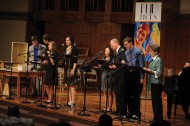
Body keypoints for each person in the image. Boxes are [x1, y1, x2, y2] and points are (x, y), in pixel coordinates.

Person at [122, 37, 145, 120]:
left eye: (126, 44)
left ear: (131, 43)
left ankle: (136, 113)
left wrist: (142, 77)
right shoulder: (126, 52)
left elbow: (142, 65)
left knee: (135, 95)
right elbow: (128, 63)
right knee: (128, 95)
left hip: (136, 74)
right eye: (124, 45)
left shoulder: (138, 51)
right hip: (129, 74)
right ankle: (130, 112)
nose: (125, 46)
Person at [143, 44, 164, 123]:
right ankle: (156, 118)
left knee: (157, 102)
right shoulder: (153, 60)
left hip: (157, 84)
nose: (149, 53)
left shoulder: (158, 60)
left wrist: (149, 70)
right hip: (153, 83)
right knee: (154, 102)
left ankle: (158, 119)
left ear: (156, 52)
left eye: (151, 51)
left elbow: (159, 73)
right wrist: (147, 70)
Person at [109, 38, 127, 116]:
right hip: (116, 75)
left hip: (121, 76)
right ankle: (117, 110)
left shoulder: (122, 51)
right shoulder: (117, 52)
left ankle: (121, 111)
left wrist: (115, 66)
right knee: (117, 93)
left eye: (111, 45)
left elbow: (123, 62)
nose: (111, 46)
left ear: (116, 43)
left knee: (120, 93)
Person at [63, 36, 78, 108]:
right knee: (68, 85)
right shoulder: (66, 48)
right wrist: (64, 69)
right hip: (66, 68)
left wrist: (73, 70)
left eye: (68, 40)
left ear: (71, 41)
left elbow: (75, 61)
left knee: (72, 85)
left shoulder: (74, 48)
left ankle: (73, 102)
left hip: (72, 68)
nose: (66, 41)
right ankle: (69, 101)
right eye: (66, 40)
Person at [99, 47, 114, 112]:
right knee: (104, 91)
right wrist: (100, 66)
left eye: (107, 51)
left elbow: (114, 67)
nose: (106, 52)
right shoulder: (103, 58)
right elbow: (101, 68)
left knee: (109, 91)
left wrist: (110, 66)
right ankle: (106, 106)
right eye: (105, 51)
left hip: (110, 75)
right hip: (104, 74)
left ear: (110, 52)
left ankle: (109, 107)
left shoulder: (112, 59)